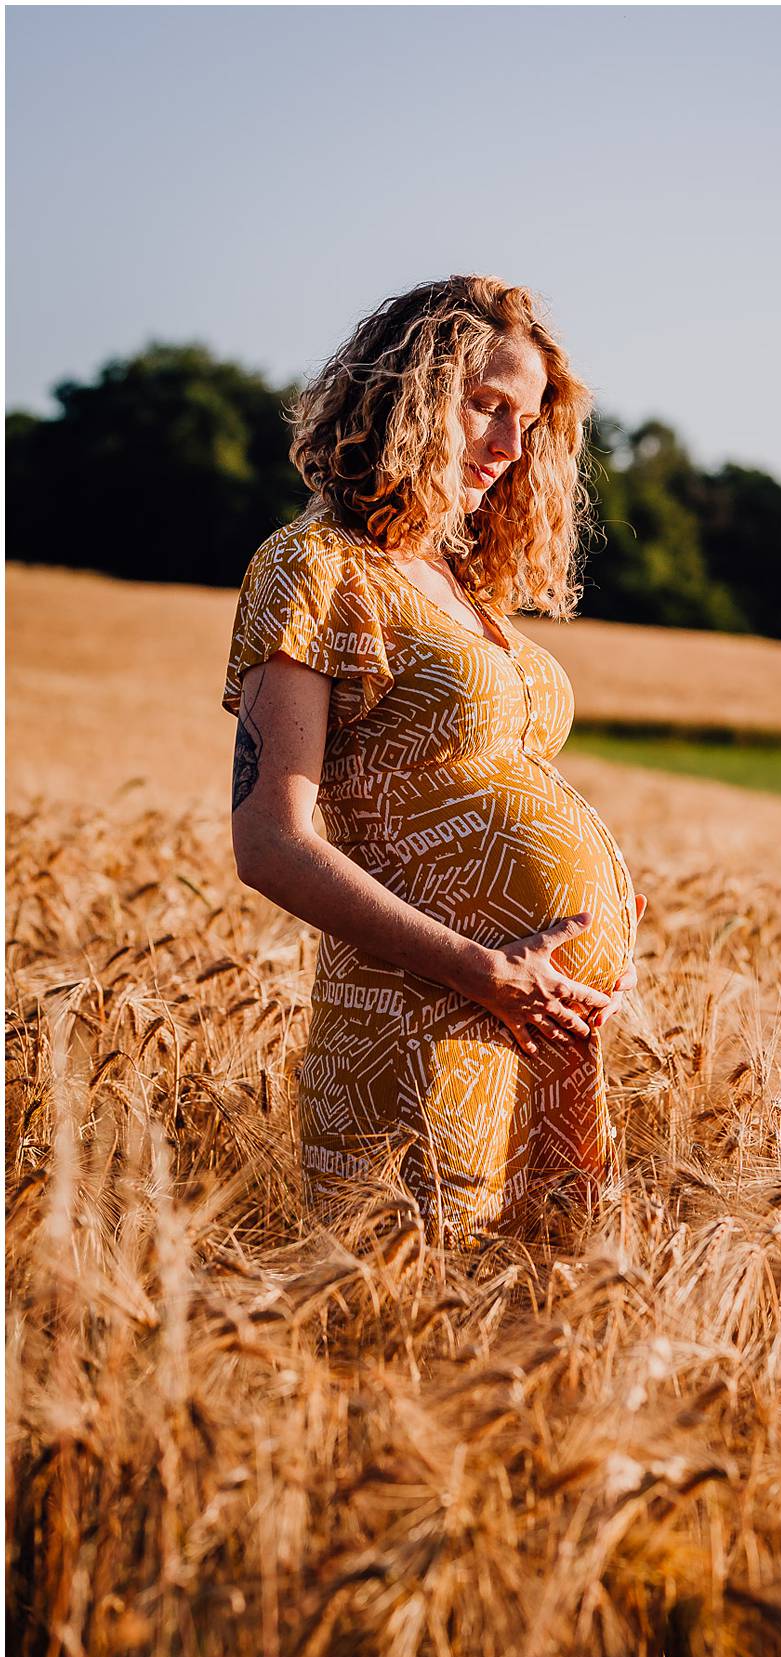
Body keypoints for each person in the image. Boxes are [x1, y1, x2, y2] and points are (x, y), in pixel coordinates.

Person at [222, 275, 646, 1247]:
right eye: (486, 407)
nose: (507, 445)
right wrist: (484, 968)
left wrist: (600, 907)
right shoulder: (313, 566)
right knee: (409, 1328)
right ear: (406, 395)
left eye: (527, 421)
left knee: (543, 1321)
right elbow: (270, 841)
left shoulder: (458, 580)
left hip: (540, 1029)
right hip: (417, 1025)